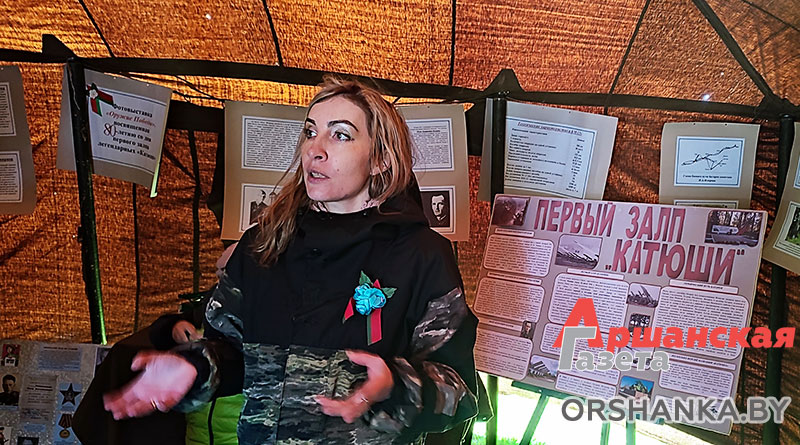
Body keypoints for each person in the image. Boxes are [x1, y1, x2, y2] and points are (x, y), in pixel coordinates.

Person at [103, 78, 479, 444]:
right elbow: (230, 351)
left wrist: (395, 385)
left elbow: (459, 389)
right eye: (310, 132)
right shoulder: (264, 244)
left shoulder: (421, 254)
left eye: (341, 135)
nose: (315, 149)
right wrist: (193, 365)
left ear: (380, 159)